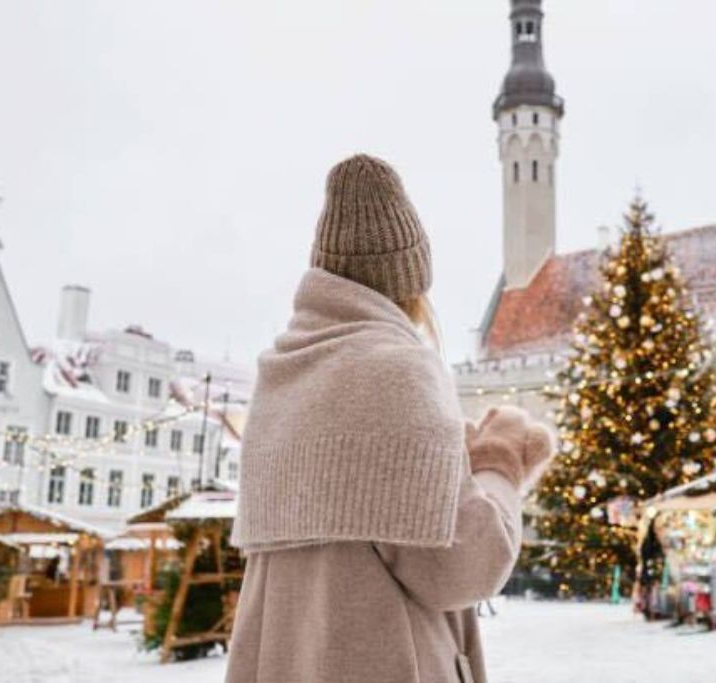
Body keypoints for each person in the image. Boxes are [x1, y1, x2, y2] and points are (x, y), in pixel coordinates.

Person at [225, 154, 554, 683]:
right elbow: (467, 564)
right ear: (410, 282)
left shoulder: (279, 376)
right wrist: (499, 462)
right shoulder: (396, 371)